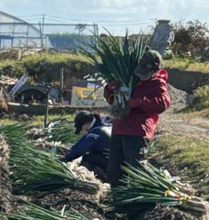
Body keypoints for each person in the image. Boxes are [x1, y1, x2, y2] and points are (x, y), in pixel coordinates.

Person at [102, 49, 171, 186]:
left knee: (135, 168)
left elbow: (164, 103)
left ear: (155, 69)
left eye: (145, 73)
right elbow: (112, 100)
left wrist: (139, 102)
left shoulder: (157, 83)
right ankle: (118, 201)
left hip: (137, 131)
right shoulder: (130, 79)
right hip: (119, 129)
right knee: (114, 170)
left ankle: (136, 204)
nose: (142, 76)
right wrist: (109, 88)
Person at [61, 111, 112, 179]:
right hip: (112, 160)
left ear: (86, 123)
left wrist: (65, 159)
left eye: (81, 128)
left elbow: (81, 149)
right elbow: (81, 142)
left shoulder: (96, 132)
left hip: (110, 162)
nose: (82, 131)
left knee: (87, 158)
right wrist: (70, 151)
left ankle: (104, 179)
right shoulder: (99, 126)